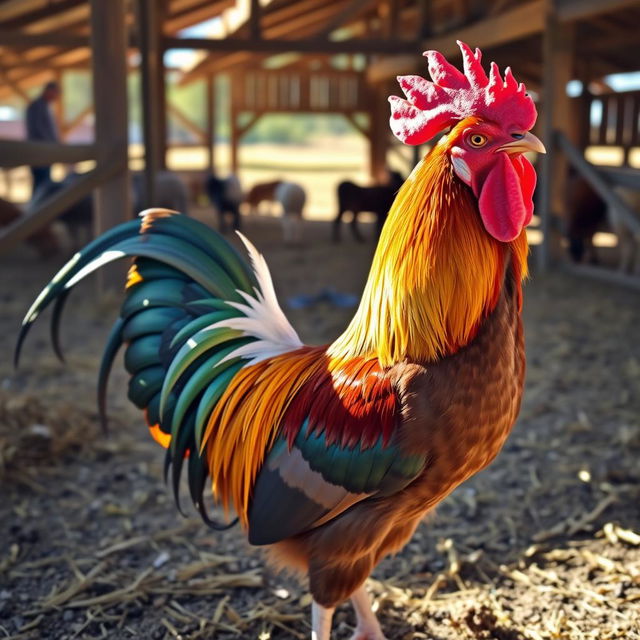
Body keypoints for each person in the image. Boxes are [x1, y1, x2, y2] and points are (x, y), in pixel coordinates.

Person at [25, 81, 60, 196]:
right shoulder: (37, 106)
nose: (56, 97)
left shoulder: (43, 106)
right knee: (42, 184)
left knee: (43, 183)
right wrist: (53, 143)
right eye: (55, 93)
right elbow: (38, 128)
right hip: (40, 152)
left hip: (43, 152)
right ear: (49, 91)